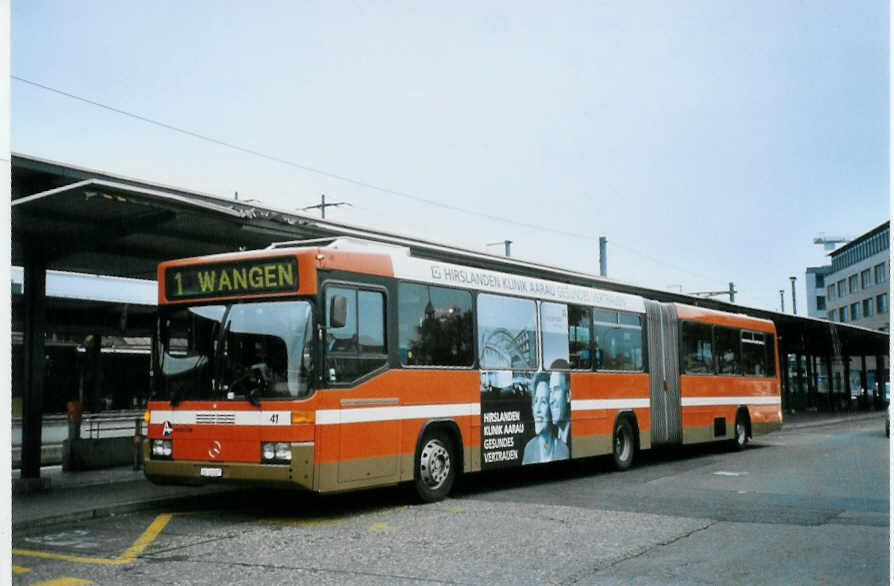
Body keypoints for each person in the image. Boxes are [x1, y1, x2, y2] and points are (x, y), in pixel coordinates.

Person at [522, 373, 570, 464]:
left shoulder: (563, 449)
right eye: (536, 401)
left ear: (551, 409)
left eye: (543, 402)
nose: (537, 409)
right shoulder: (529, 448)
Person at [549, 371, 571, 449]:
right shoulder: (550, 438)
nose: (551, 400)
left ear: (568, 395)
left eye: (556, 389)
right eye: (550, 391)